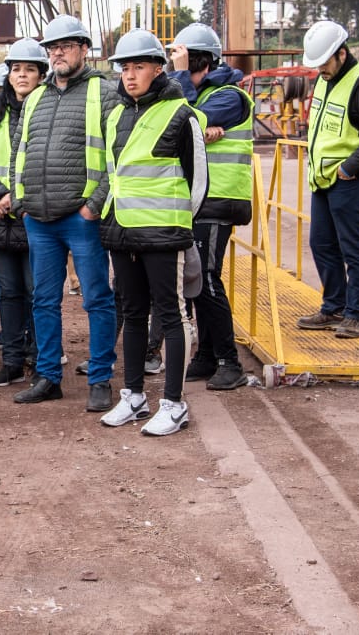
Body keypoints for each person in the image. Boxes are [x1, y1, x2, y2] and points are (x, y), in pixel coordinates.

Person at [96, 30, 207, 436]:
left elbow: (198, 181)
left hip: (163, 233)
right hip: (123, 233)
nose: (129, 75)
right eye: (125, 68)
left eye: (138, 66)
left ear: (158, 69)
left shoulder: (181, 114)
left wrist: (178, 225)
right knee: (132, 314)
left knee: (171, 315)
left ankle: (174, 404)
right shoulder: (115, 116)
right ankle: (134, 397)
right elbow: (115, 176)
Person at [13, 14, 120, 410]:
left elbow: (117, 156)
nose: (57, 53)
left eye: (65, 46)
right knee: (43, 300)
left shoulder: (103, 93)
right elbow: (19, 152)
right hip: (40, 219)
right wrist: (21, 202)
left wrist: (94, 206)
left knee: (96, 299)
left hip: (81, 218)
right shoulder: (35, 98)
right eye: (52, 47)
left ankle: (100, 378)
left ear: (83, 49)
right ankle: (48, 377)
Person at [168, 22, 252, 391]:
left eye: (183, 62)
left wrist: (180, 77)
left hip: (219, 199)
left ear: (200, 62)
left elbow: (183, 121)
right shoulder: (204, 96)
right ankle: (205, 355)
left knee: (208, 280)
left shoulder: (230, 97)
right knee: (196, 281)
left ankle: (229, 361)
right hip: (199, 200)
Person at [296, 20, 359, 339]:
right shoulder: (325, 80)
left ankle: (355, 314)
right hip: (323, 179)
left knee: (354, 249)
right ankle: (334, 306)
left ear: (342, 54)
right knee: (321, 243)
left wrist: (349, 167)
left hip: (352, 180)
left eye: (324, 62)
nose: (320, 69)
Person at [0, 39, 46, 385]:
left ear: (41, 75)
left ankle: (40, 359)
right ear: (8, 75)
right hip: (0, 219)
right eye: (17, 69)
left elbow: (54, 162)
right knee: (9, 291)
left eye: (30, 69)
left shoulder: (49, 112)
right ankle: (12, 360)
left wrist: (20, 200)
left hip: (36, 219)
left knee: (37, 292)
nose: (22, 75)